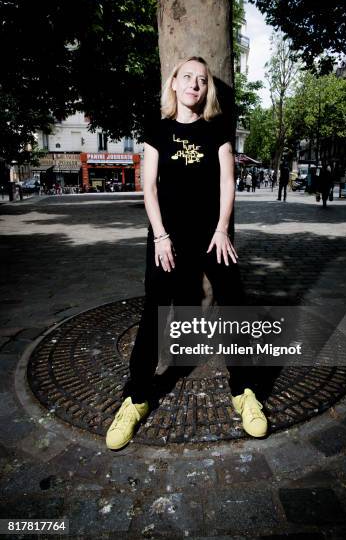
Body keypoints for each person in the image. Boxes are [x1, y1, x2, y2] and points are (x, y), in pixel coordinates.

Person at [106, 56, 268, 450]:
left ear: (206, 90)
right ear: (175, 84)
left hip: (212, 235)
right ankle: (135, 398)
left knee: (235, 304)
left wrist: (221, 229)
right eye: (187, 77)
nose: (195, 84)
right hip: (167, 237)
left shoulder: (218, 130)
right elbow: (150, 189)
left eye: (202, 79)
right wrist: (160, 236)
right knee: (155, 310)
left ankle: (244, 391)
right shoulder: (157, 129)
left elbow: (227, 183)